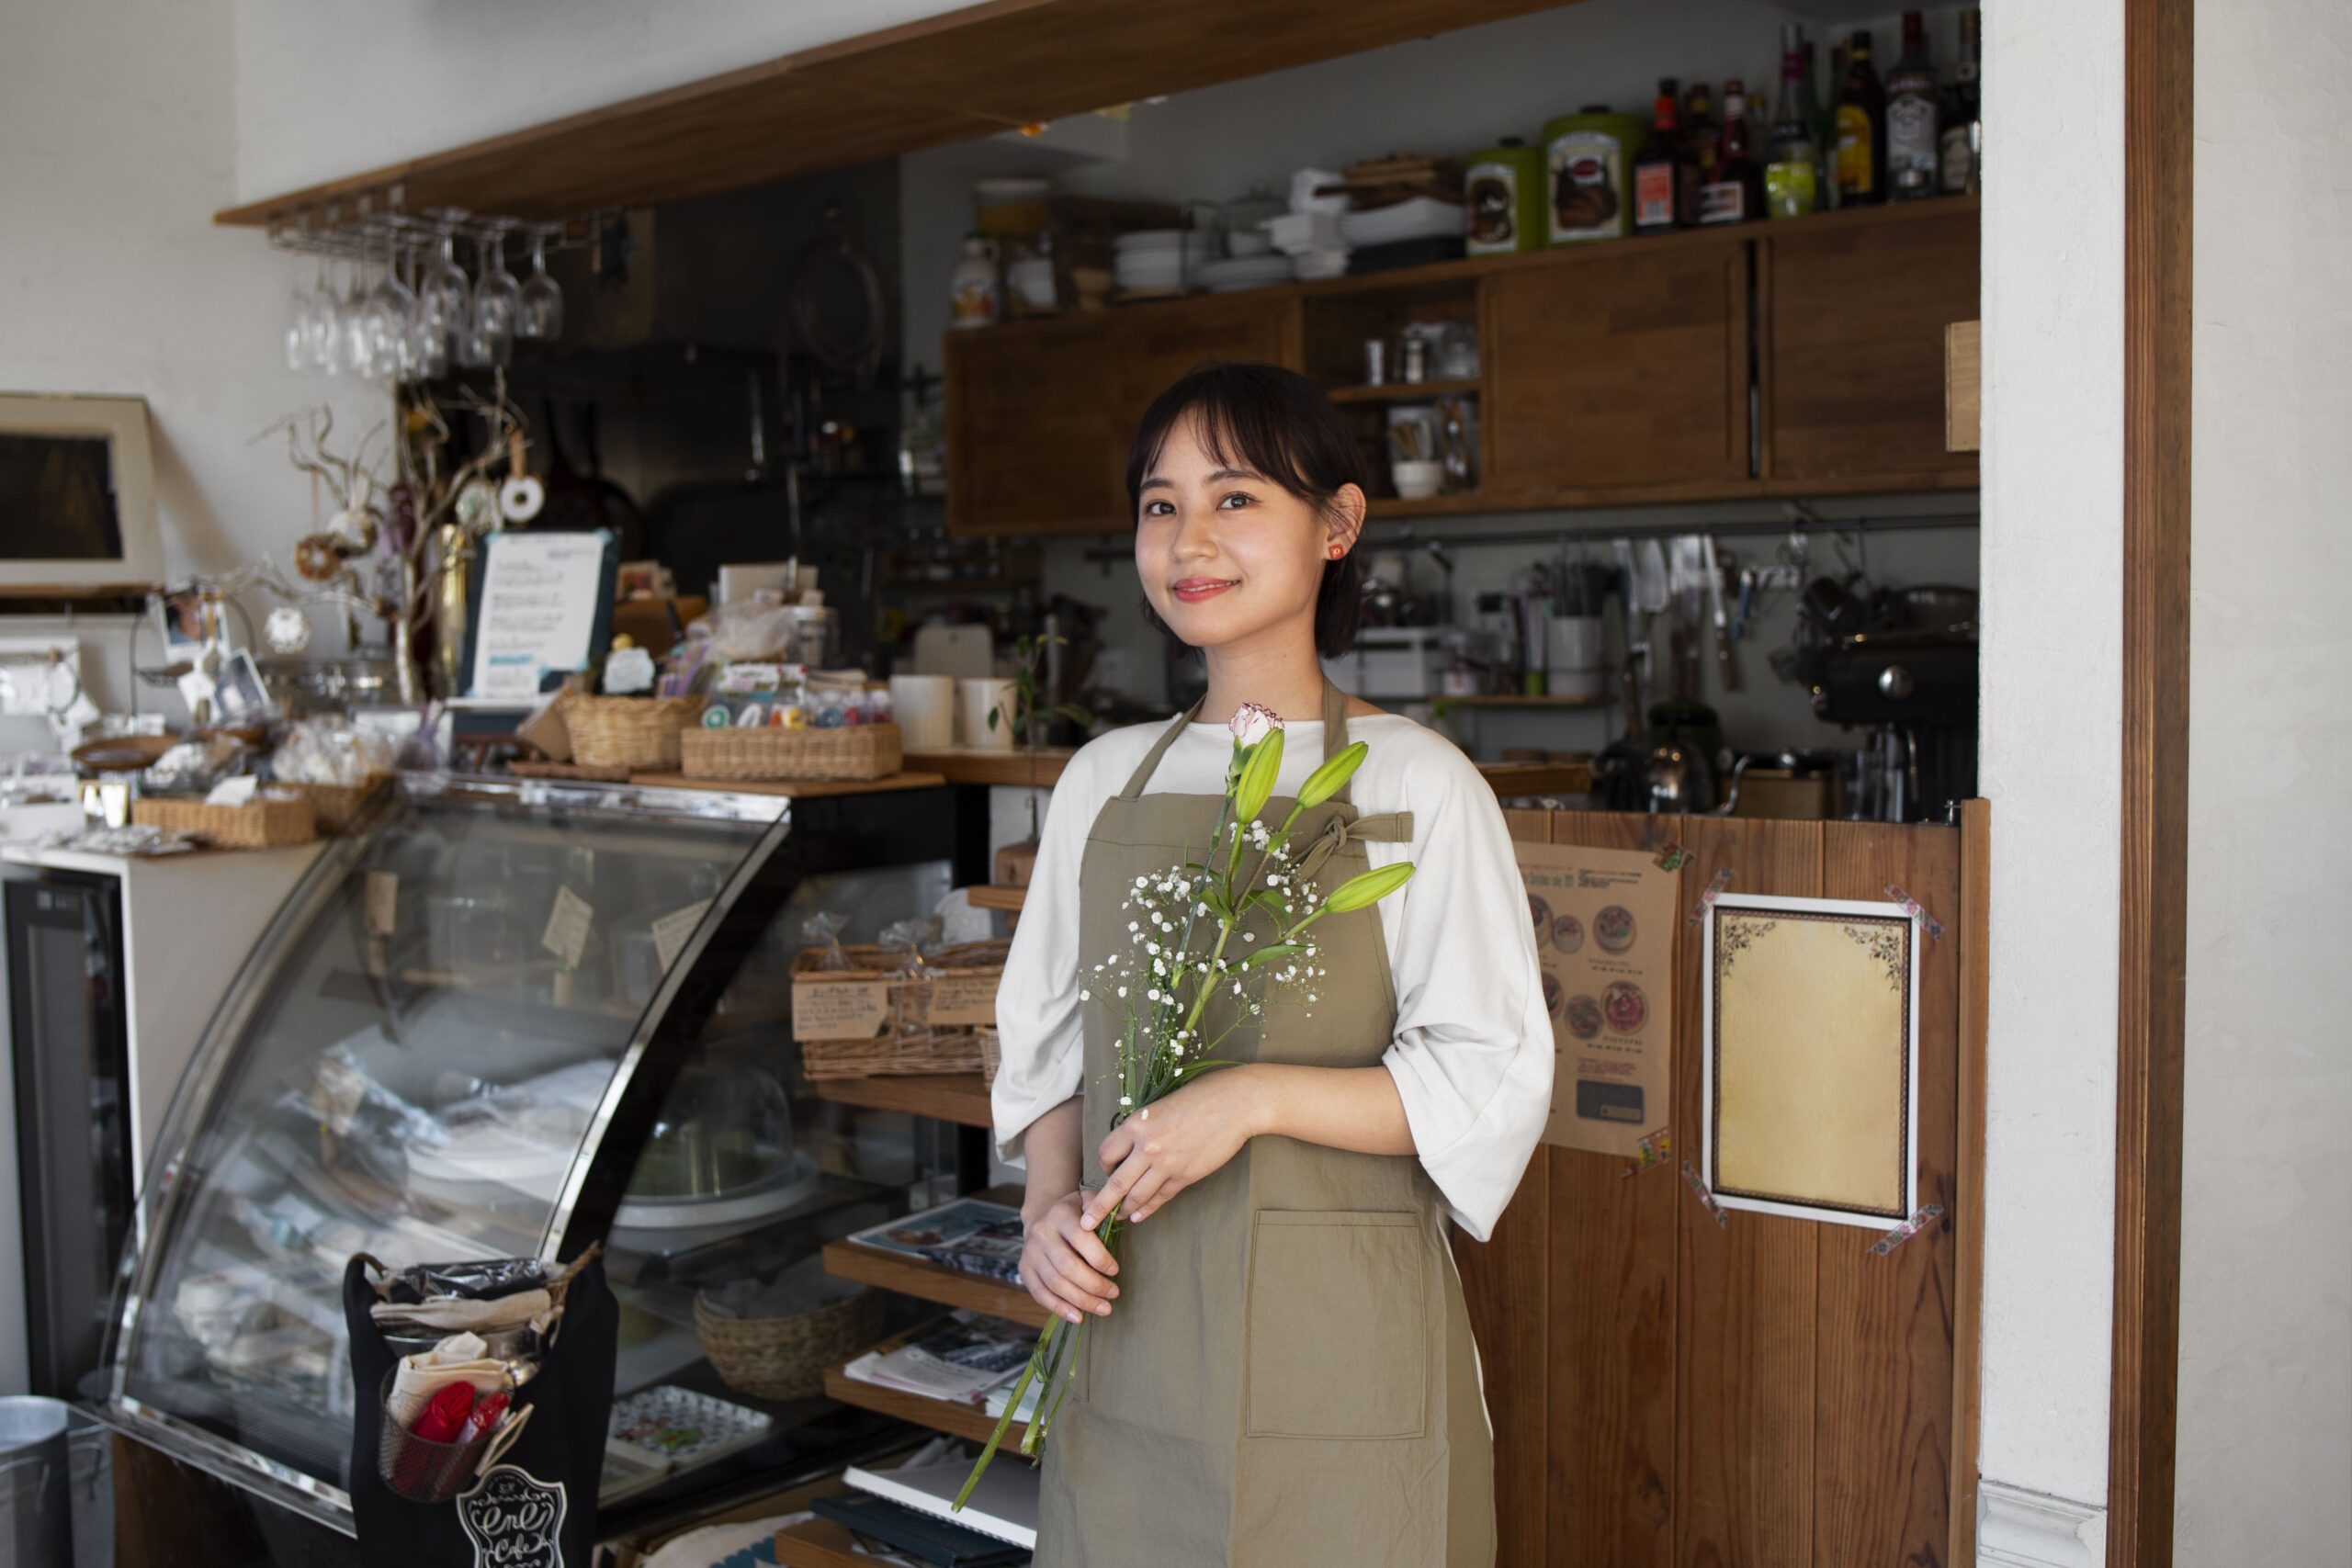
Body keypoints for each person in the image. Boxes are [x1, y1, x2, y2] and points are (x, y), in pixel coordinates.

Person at [990, 362, 1551, 1566]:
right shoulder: (1102, 780)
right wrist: (1045, 1208)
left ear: (1337, 525)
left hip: (1350, 1361)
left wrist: (1248, 1100)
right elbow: (1043, 1043)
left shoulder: (1415, 783)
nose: (1188, 536)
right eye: (1159, 502)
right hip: (1132, 1341)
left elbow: (1487, 1074)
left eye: (1234, 497)